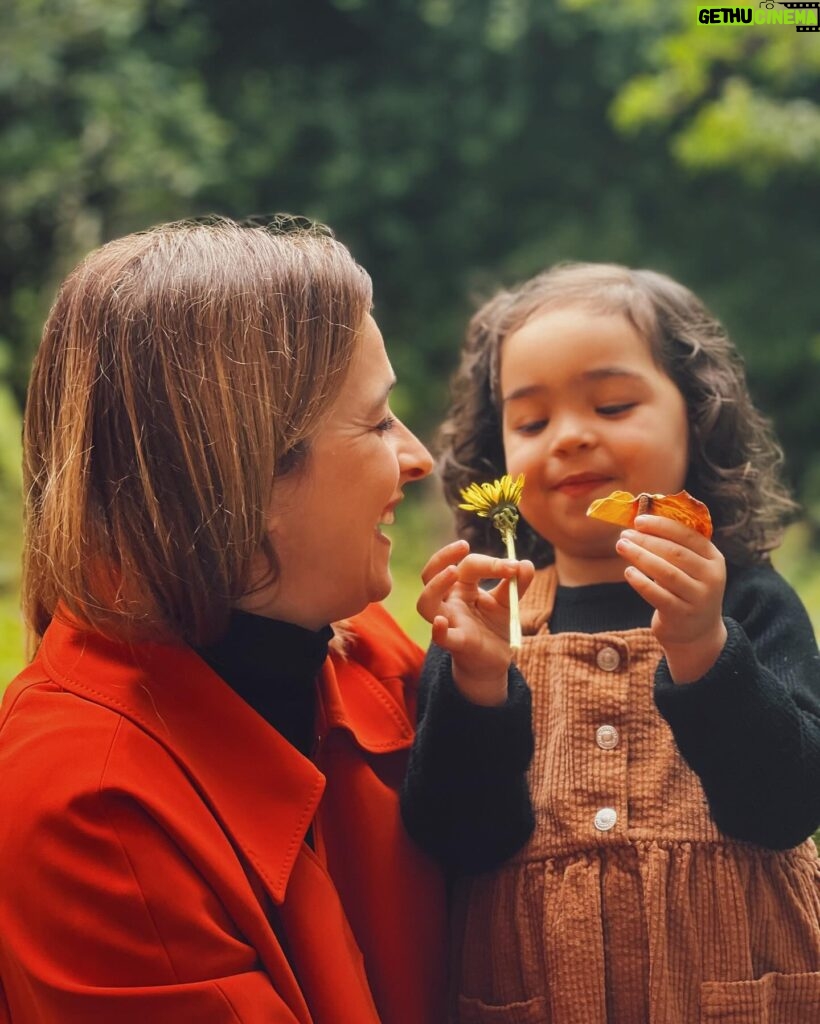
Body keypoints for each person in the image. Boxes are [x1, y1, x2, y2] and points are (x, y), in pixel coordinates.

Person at [0, 215, 533, 1024]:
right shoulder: (86, 812)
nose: (419, 457)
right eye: (378, 420)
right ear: (246, 472)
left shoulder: (360, 652)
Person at [402, 262, 820, 1023]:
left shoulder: (750, 601)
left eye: (614, 404)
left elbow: (786, 807)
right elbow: (458, 838)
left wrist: (703, 644)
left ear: (697, 415)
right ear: (498, 458)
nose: (569, 438)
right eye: (531, 423)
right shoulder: (488, 621)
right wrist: (480, 685)